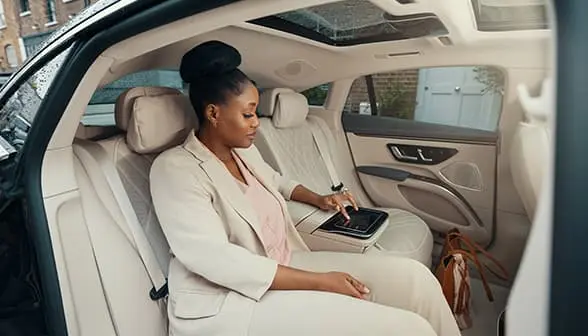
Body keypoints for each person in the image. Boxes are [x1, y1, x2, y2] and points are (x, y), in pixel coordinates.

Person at [150, 40, 462, 336]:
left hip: (281, 262)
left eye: (256, 112)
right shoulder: (175, 169)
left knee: (416, 279)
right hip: (225, 302)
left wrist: (320, 198)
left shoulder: (242, 150)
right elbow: (214, 258)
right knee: (410, 330)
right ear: (213, 113)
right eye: (247, 114)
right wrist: (320, 282)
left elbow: (275, 181)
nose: (256, 122)